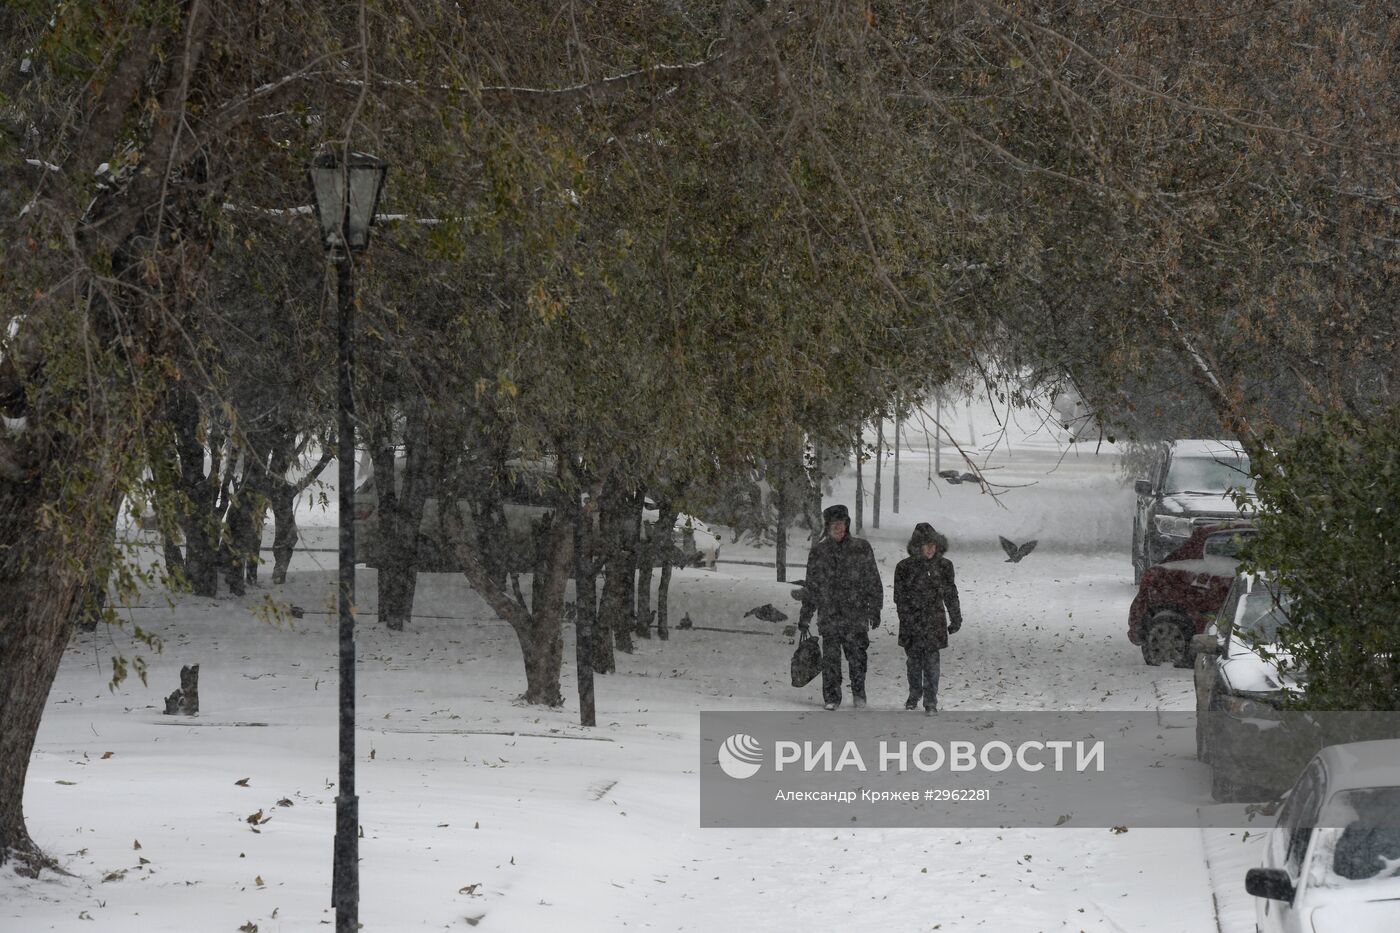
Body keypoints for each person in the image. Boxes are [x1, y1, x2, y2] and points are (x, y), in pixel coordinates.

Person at [797, 504, 883, 710]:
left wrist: (875, 609)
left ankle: (859, 694)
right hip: (830, 615)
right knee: (831, 660)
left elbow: (873, 580)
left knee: (858, 658)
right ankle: (832, 697)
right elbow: (812, 586)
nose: (839, 528)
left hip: (856, 614)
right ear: (827, 527)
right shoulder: (819, 552)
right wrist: (805, 616)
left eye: (842, 524)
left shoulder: (861, 548)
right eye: (835, 525)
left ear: (847, 525)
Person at [894, 523, 962, 713]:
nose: (931, 549)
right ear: (918, 546)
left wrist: (955, 617)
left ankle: (931, 699)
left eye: (933, 544)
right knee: (914, 663)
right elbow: (899, 598)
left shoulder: (944, 566)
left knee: (932, 664)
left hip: (934, 621)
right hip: (912, 622)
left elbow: (950, 593)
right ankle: (914, 693)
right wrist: (906, 619)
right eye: (926, 545)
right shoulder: (904, 567)